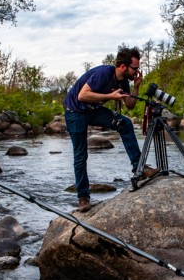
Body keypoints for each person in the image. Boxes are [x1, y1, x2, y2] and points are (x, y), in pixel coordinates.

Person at [62, 46, 157, 212]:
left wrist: (136, 86)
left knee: (125, 123)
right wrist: (109, 96)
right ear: (123, 67)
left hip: (93, 110)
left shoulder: (124, 82)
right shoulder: (103, 73)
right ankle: (83, 197)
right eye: (134, 68)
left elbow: (129, 104)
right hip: (75, 111)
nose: (136, 71)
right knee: (80, 154)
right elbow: (82, 95)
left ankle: (139, 169)